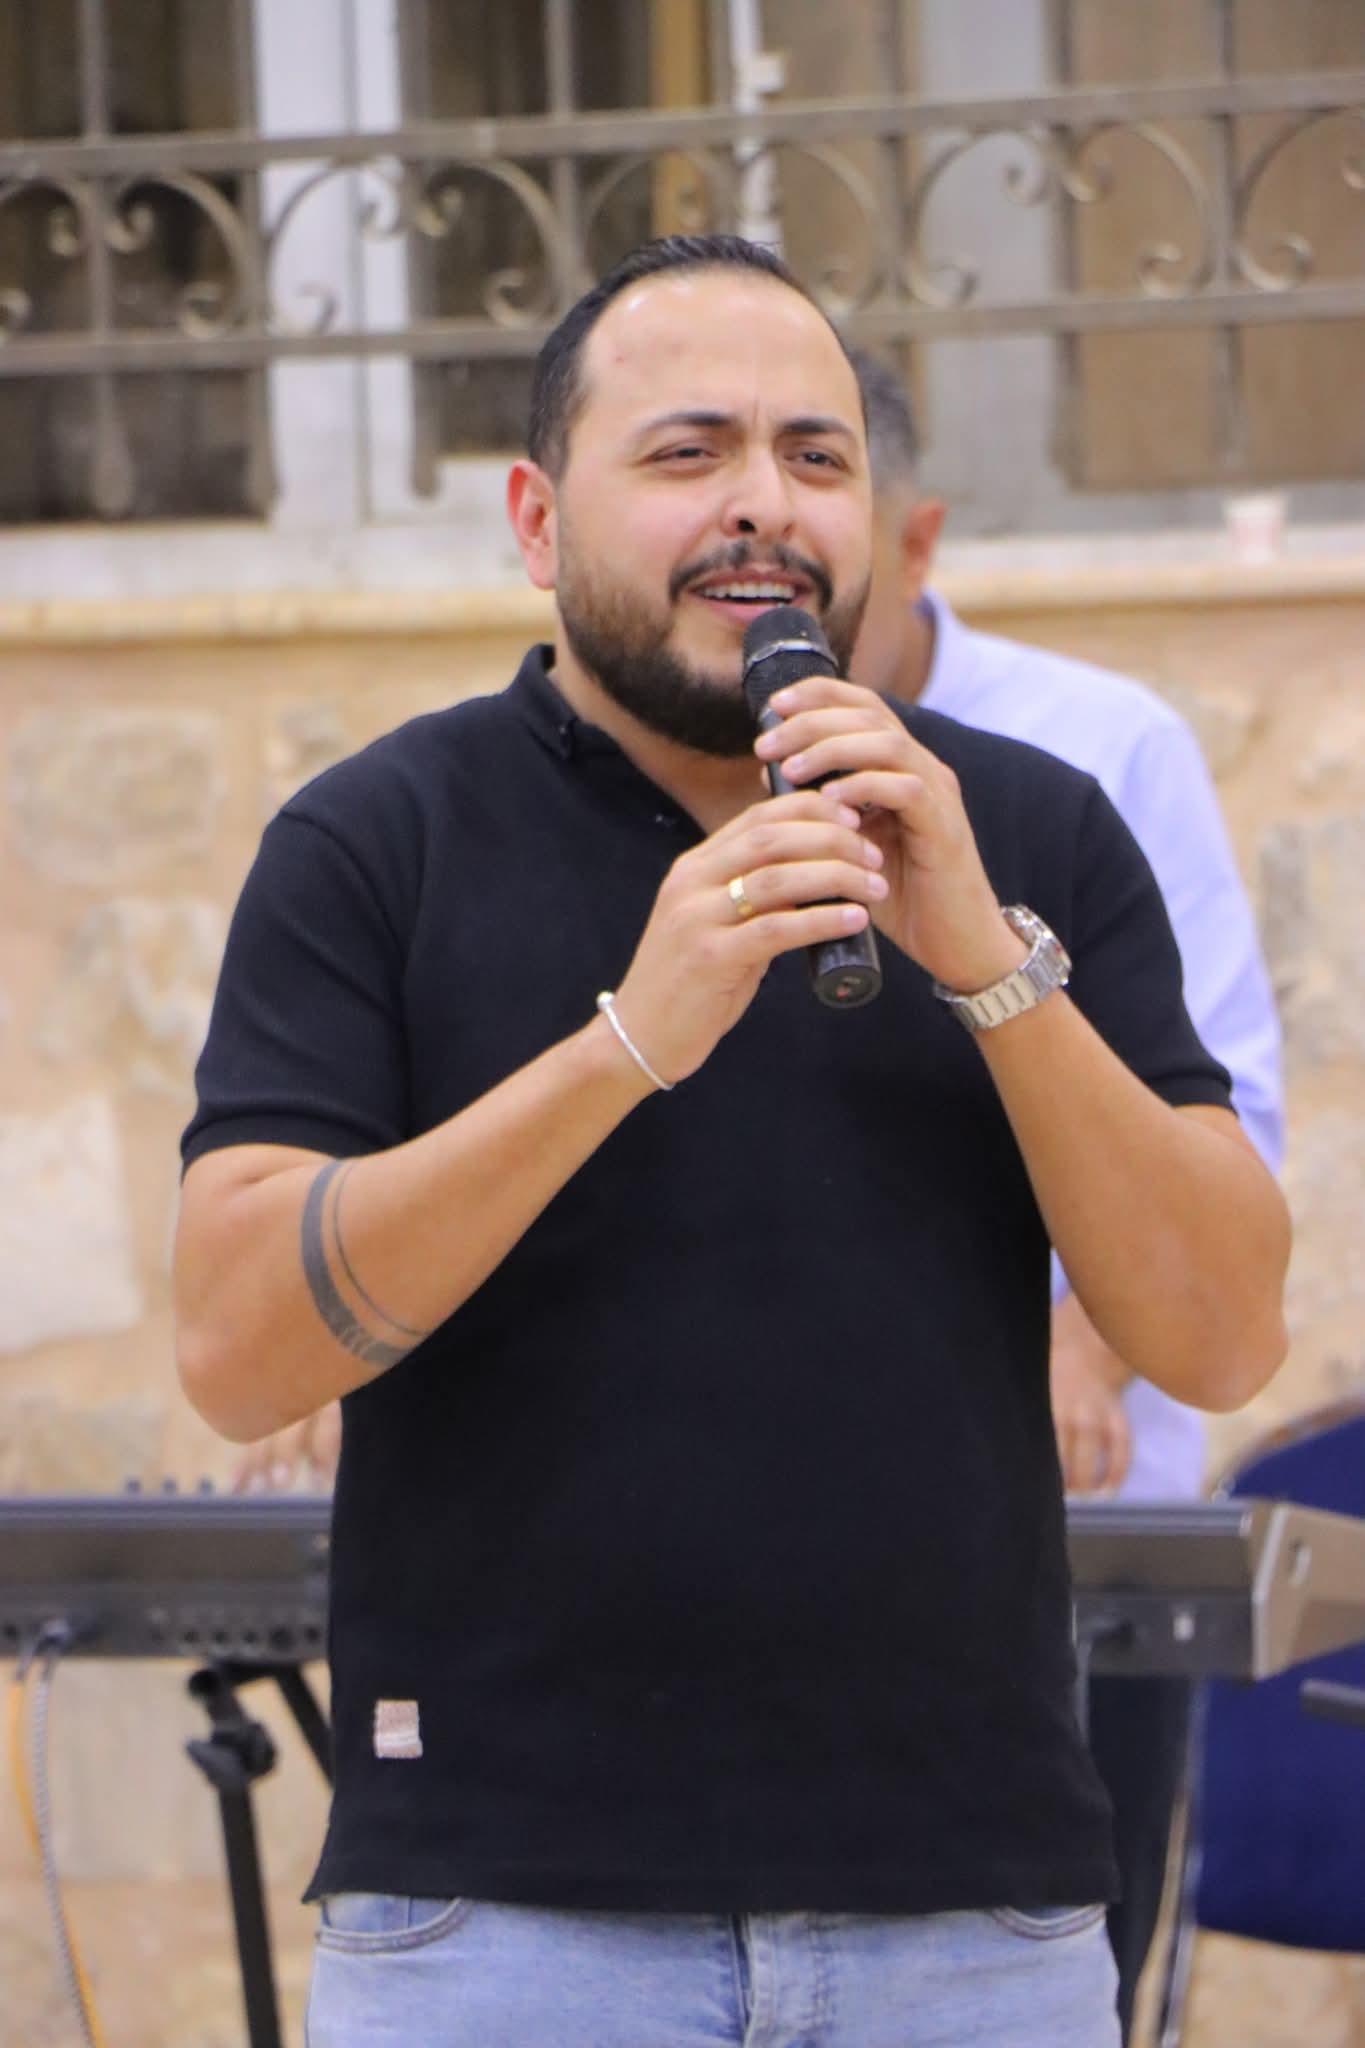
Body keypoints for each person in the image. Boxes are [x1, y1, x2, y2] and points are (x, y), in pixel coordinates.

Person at [174, 234, 1290, 2048]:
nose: (762, 504)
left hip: (971, 1923)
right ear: (535, 521)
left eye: (814, 456)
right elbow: (236, 1349)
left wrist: (987, 966)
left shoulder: (1030, 830)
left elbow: (1221, 1334)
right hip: (502, 1924)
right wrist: (627, 1042)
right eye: (687, 452)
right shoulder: (376, 841)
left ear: (880, 519)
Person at [847, 348, 1285, 2042]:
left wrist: (1079, 1350)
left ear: (916, 535)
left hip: (1068, 1559)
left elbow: (1218, 1117)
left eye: (824, 490)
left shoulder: (1101, 750)